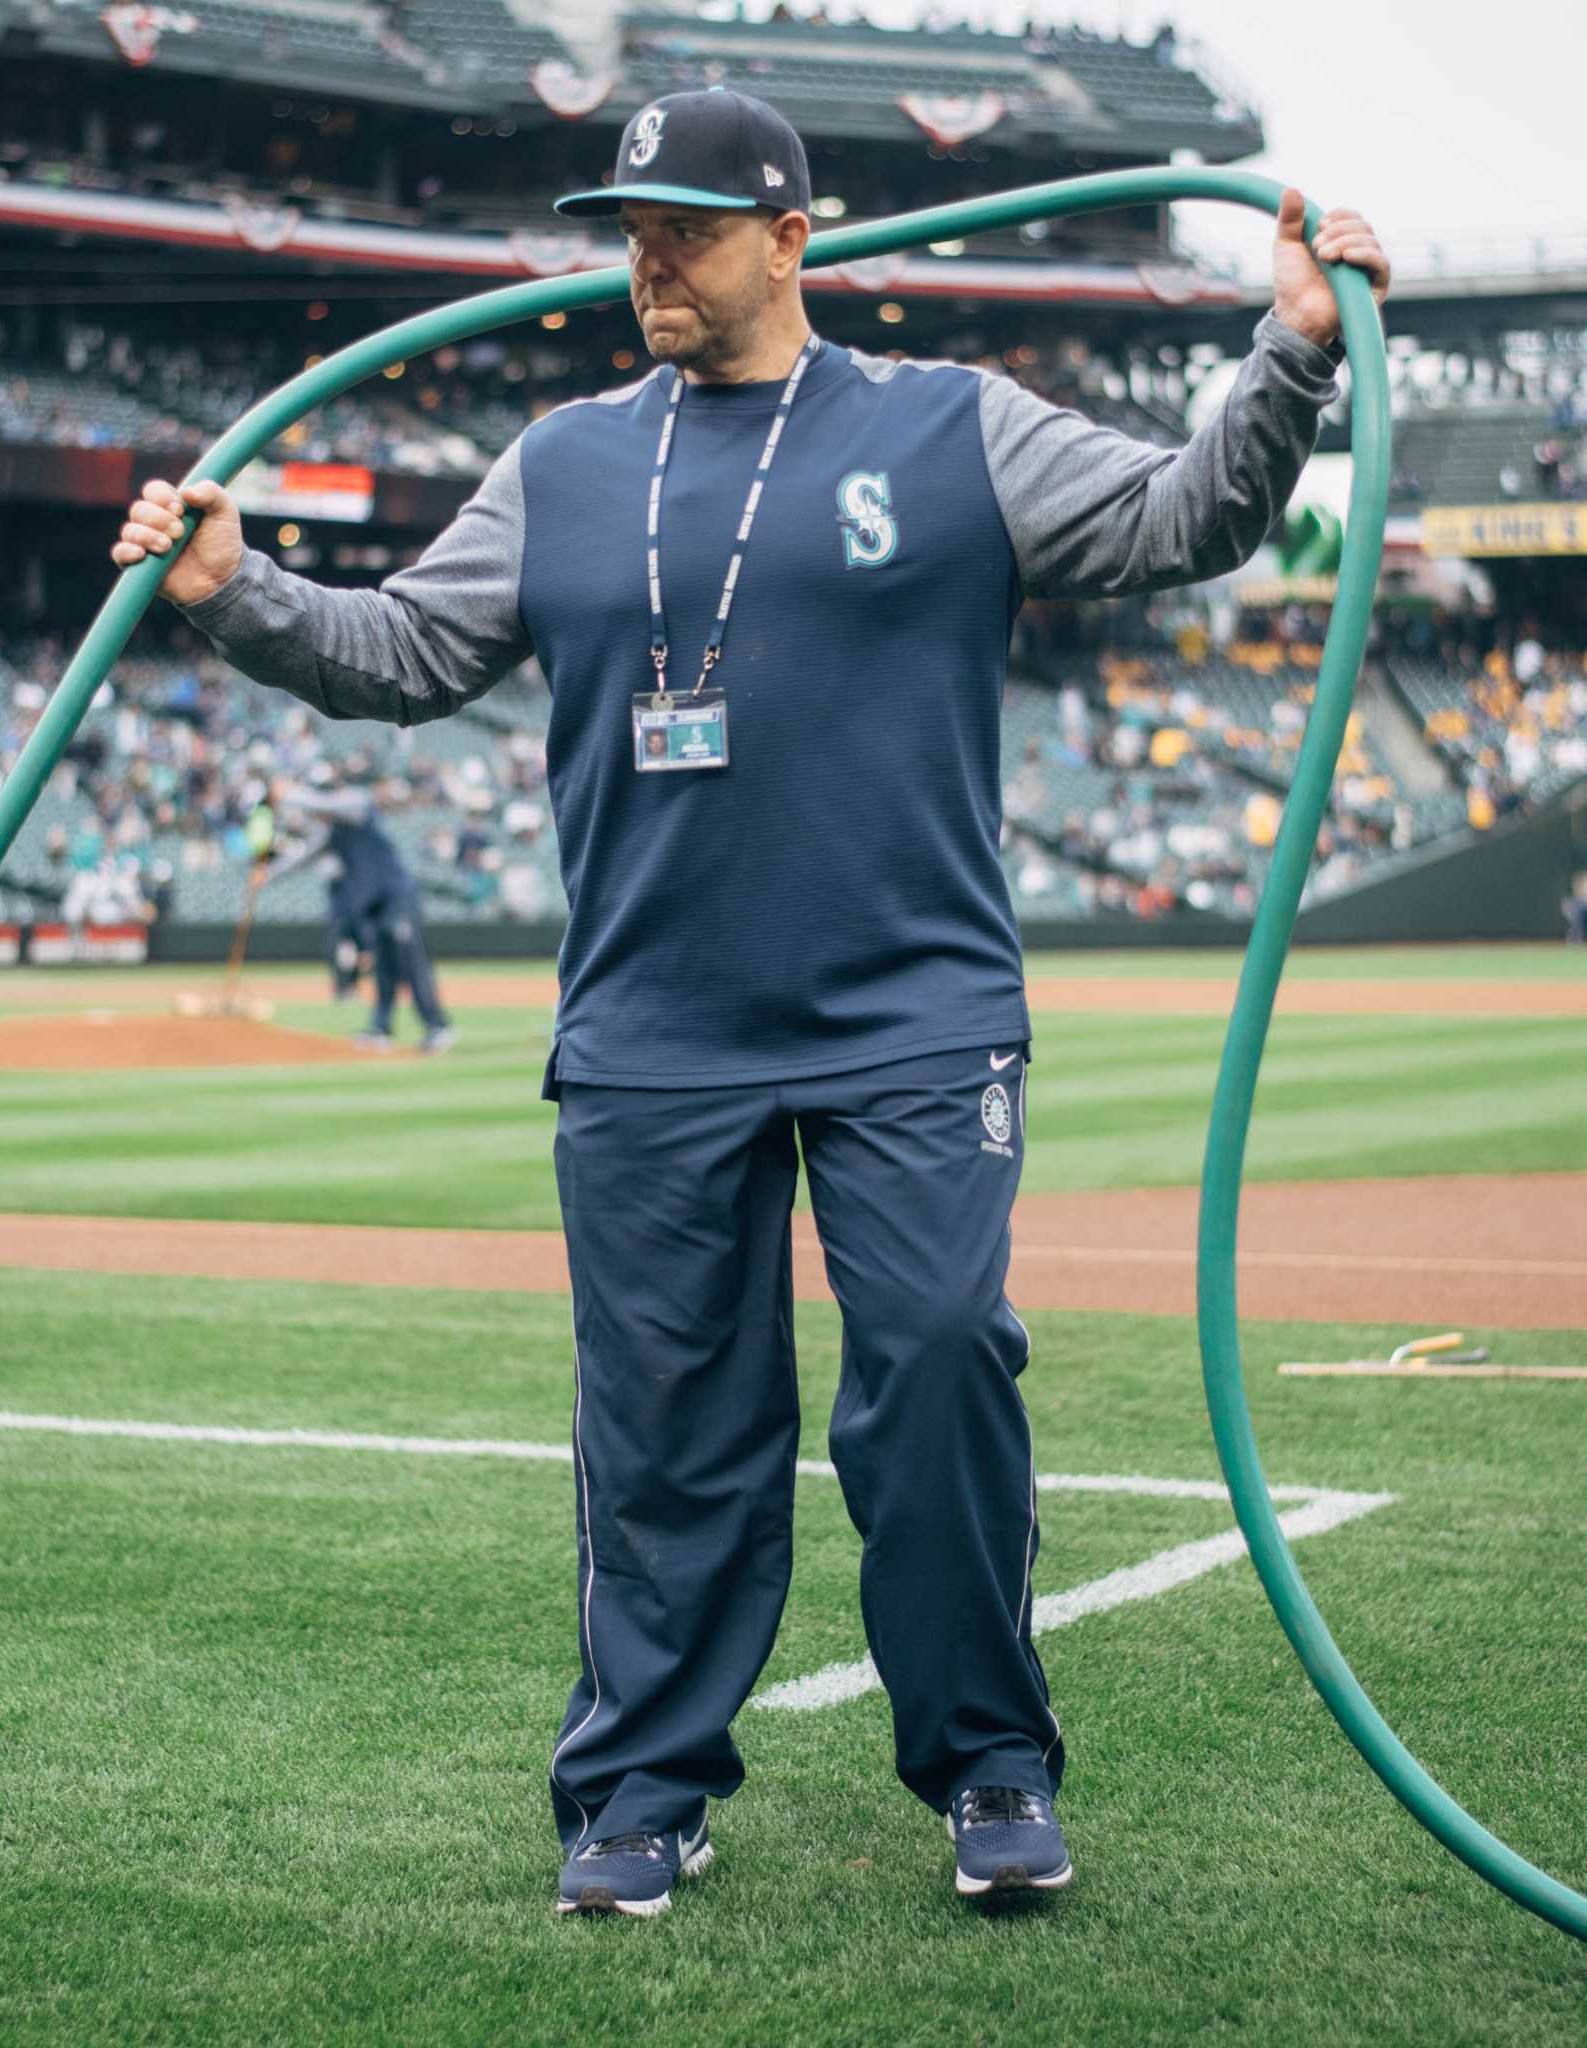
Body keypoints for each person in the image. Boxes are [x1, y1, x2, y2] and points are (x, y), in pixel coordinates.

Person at [111, 86, 1390, 1916]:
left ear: (791, 240)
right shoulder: (555, 462)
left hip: (910, 1013)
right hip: (649, 1030)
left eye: (689, 227)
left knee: (938, 1362)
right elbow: (398, 650)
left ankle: (990, 1763)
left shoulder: (949, 425)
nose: (648, 257)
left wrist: (1283, 348)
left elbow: (1185, 520)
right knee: (662, 1423)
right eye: (629, 226)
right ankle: (639, 1787)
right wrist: (235, 589)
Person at [262, 780, 456, 1053]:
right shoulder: (332, 832)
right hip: (374, 905)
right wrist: (268, 875)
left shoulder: (356, 803)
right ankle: (381, 1028)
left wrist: (289, 793)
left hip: (396, 897)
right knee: (383, 966)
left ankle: (437, 1026)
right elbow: (303, 858)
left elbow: (322, 803)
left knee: (410, 961)